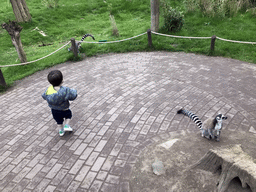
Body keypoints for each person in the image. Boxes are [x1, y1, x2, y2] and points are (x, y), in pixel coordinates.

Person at [42, 70, 77, 136]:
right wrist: (74, 91)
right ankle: (66, 125)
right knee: (68, 115)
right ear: (62, 80)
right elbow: (73, 95)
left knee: (59, 121)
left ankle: (61, 131)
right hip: (65, 109)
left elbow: (44, 96)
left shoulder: (48, 90)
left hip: (54, 110)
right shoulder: (65, 90)